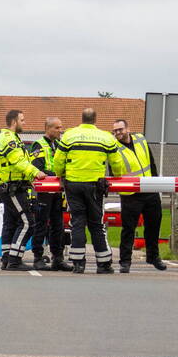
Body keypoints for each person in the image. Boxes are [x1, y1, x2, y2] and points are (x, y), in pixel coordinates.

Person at [52, 108, 124, 274]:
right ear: (95, 120)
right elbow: (117, 162)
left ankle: (78, 263)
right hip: (95, 186)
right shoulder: (106, 137)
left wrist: (59, 174)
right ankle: (103, 264)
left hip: (73, 184)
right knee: (96, 224)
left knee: (77, 222)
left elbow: (58, 160)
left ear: (82, 118)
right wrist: (118, 175)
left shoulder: (69, 135)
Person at [0, 109, 47, 271]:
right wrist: (35, 172)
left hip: (12, 186)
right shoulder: (9, 139)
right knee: (28, 222)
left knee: (11, 223)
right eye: (22, 120)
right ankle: (15, 260)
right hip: (12, 188)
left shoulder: (12, 138)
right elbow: (18, 162)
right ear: (14, 122)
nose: (25, 123)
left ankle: (6, 258)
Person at [112, 119, 167, 272]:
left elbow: (151, 162)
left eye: (120, 129)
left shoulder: (141, 139)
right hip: (130, 194)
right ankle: (125, 262)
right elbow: (113, 171)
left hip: (150, 190)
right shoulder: (114, 147)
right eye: (115, 131)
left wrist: (156, 185)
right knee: (128, 229)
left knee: (153, 226)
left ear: (128, 128)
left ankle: (153, 257)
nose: (118, 133)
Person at [30, 117, 74, 271]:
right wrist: (57, 175)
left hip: (57, 192)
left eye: (61, 127)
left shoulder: (59, 145)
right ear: (47, 128)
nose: (60, 130)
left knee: (58, 225)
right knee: (41, 224)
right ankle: (37, 257)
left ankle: (58, 258)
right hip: (44, 192)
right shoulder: (38, 145)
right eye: (57, 128)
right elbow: (37, 167)